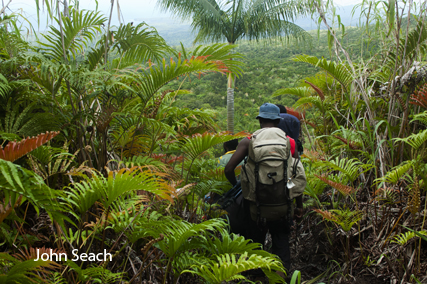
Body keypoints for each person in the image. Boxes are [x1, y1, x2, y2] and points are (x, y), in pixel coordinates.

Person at [224, 103, 303, 275]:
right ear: (277, 121)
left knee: (254, 242)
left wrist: (241, 187)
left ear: (259, 120)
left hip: (255, 206)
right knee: (281, 241)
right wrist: (299, 206)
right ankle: (280, 277)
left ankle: (255, 276)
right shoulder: (290, 143)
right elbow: (296, 176)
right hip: (283, 205)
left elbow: (228, 169)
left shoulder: (249, 141)